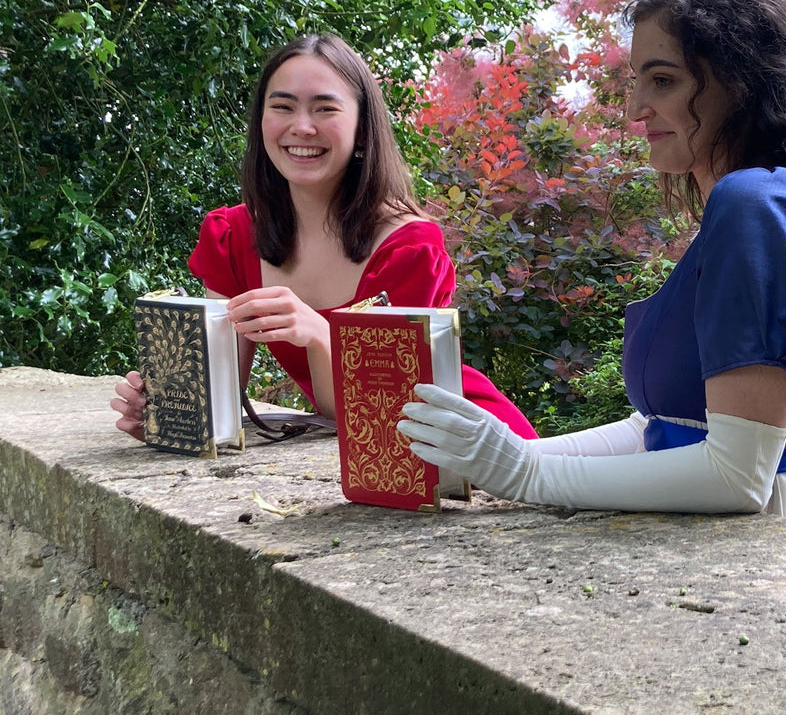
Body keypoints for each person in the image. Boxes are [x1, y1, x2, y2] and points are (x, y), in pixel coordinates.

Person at [398, 0, 786, 530]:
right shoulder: (747, 209)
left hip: (761, 552)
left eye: (663, 80)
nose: (636, 108)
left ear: (743, 86)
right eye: (638, 79)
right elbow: (666, 427)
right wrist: (513, 454)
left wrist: (524, 475)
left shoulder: (755, 205)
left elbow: (737, 476)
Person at [111, 33, 536, 441]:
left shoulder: (409, 248)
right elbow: (220, 394)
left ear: (364, 129)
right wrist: (166, 412)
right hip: (368, 455)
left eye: (325, 109)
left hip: (464, 441)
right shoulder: (231, 236)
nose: (302, 127)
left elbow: (380, 411)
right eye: (282, 106)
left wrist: (317, 333)